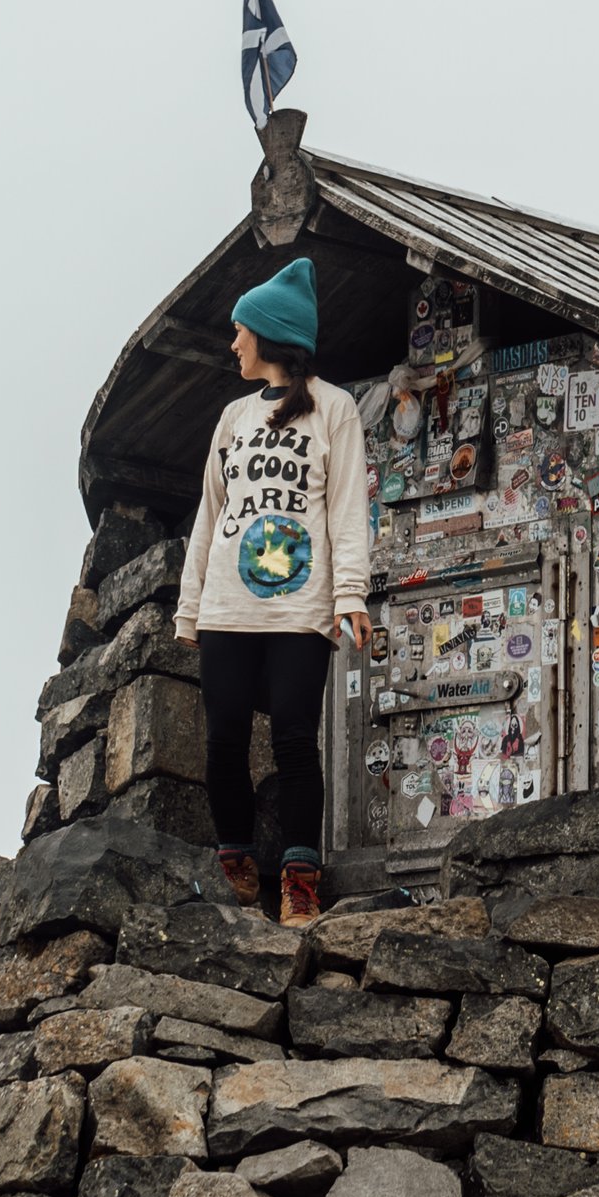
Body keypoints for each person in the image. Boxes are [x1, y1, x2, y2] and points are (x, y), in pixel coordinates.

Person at [173, 256, 372, 924]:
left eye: (241, 331)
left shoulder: (335, 410)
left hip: (300, 605)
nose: (233, 344)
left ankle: (299, 879)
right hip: (227, 602)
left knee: (292, 738)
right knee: (224, 738)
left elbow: (346, 510)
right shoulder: (231, 418)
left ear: (271, 334)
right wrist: (189, 603)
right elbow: (210, 512)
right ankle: (235, 866)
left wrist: (350, 595)